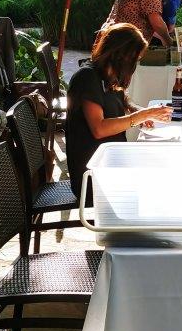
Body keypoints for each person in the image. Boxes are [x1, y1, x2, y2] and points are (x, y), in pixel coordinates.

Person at [66, 23, 172, 200]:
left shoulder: (107, 75)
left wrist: (140, 111)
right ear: (121, 56)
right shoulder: (87, 79)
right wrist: (141, 115)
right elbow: (99, 128)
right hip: (92, 176)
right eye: (134, 59)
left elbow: (122, 99)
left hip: (112, 162)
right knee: (159, 182)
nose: (135, 65)